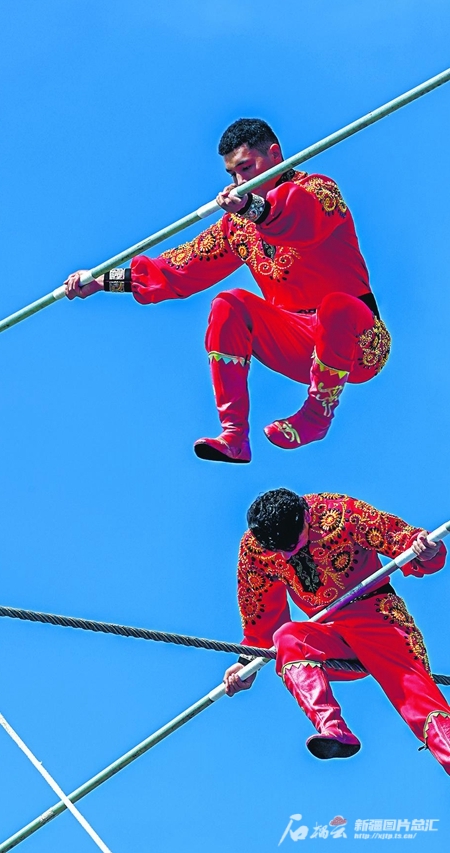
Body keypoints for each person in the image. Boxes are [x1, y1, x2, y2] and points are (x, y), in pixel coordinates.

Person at [65, 119, 391, 463]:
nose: (239, 182)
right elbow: (179, 268)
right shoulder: (237, 226)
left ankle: (316, 416)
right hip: (298, 344)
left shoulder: (319, 191)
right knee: (228, 303)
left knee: (336, 307)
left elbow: (301, 219)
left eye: (246, 169)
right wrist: (102, 280)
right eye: (232, 174)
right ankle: (233, 436)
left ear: (275, 155)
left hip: (359, 344)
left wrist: (253, 209)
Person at [223, 488, 450, 773]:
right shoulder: (255, 549)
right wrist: (246, 663)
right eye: (279, 550)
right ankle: (333, 729)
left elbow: (401, 540)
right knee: (287, 637)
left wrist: (426, 550)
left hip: (378, 621)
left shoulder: (340, 511)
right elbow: (261, 617)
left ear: (307, 516)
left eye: (292, 543)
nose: (288, 554)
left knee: (419, 702)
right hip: (329, 636)